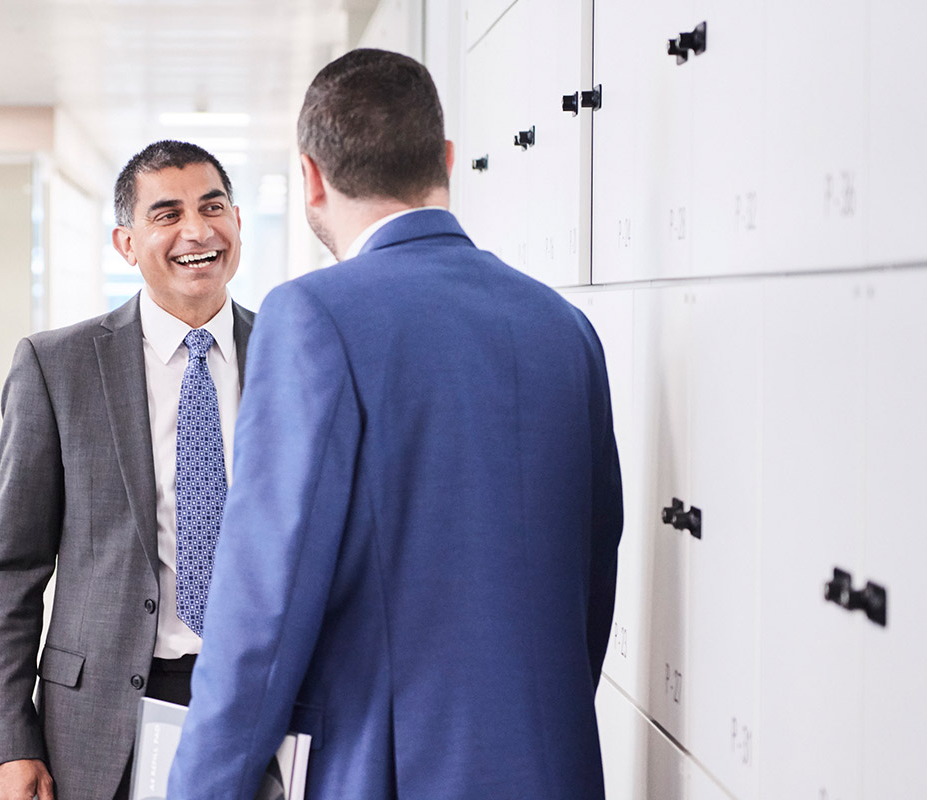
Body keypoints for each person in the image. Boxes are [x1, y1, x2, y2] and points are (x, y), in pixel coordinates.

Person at [166, 49, 624, 799]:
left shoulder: (312, 317)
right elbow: (592, 567)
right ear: (445, 160)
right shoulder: (563, 325)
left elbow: (262, 605)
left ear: (312, 177)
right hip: (553, 764)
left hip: (391, 770)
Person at [0, 140, 255, 800]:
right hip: (103, 711)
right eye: (167, 213)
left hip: (261, 697)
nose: (197, 230)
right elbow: (9, 572)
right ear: (126, 243)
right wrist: (10, 743)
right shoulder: (57, 366)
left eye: (214, 207)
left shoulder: (293, 356)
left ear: (238, 222)